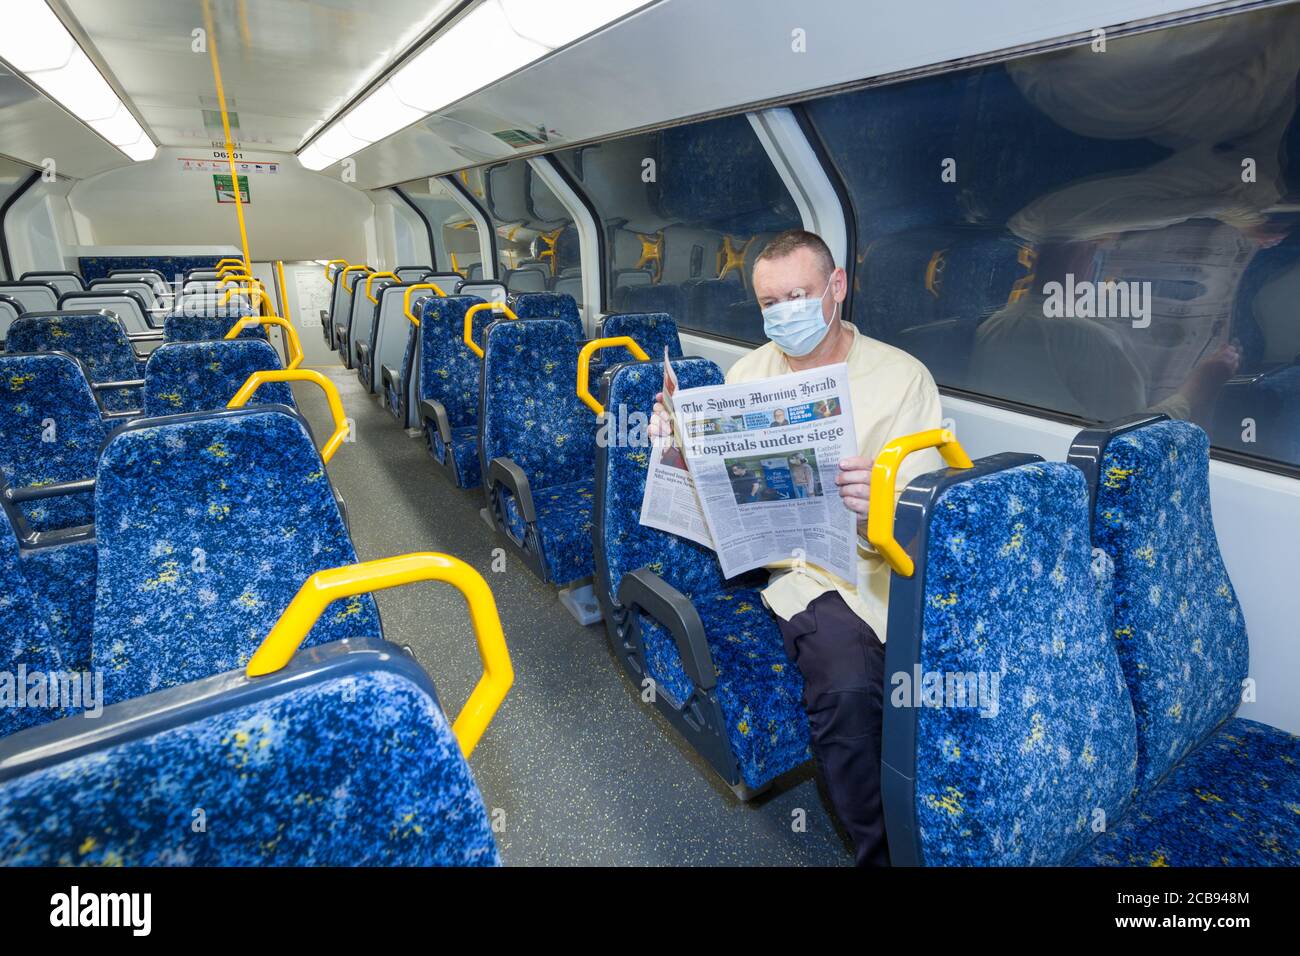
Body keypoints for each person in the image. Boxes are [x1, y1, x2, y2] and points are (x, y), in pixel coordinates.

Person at [650, 229, 944, 866]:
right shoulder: (747, 375)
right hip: (791, 571)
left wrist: (883, 501)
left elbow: (926, 520)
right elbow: (715, 493)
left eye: (799, 295)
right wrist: (672, 446)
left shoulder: (901, 379)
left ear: (836, 288)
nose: (785, 312)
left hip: (879, 568)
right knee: (842, 683)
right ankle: (884, 855)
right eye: (770, 302)